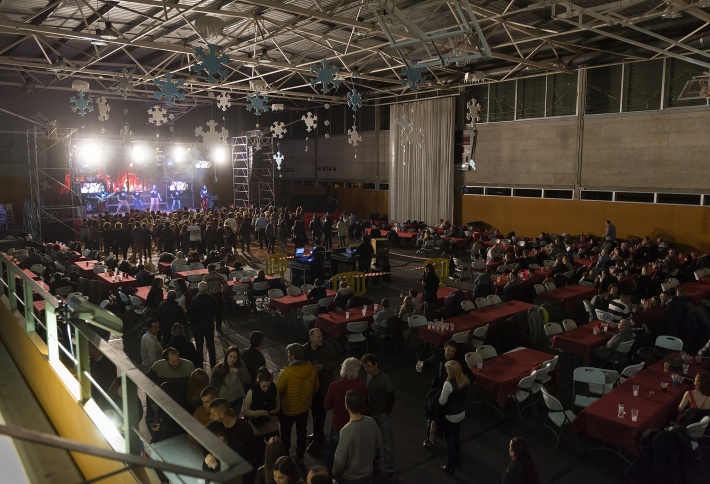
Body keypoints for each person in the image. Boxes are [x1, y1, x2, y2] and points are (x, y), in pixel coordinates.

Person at [417, 340, 468, 447]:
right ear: (444, 348)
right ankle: (430, 435)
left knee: (442, 415)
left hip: (450, 391)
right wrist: (421, 366)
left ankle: (437, 433)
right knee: (432, 412)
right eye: (448, 350)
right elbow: (427, 362)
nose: (450, 353)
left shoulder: (458, 361)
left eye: (452, 351)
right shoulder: (437, 356)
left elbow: (468, 374)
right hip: (437, 388)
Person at [275, 343, 319, 462]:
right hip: (304, 408)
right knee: (301, 431)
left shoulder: (287, 373)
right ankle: (300, 455)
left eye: (289, 354)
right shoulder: (311, 369)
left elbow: (277, 389)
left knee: (285, 434)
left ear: (293, 356)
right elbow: (316, 387)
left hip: (288, 409)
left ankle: (286, 456)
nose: (288, 356)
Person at [324, 358, 368, 468]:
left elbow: (326, 406)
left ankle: (330, 473)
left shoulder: (334, 385)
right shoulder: (361, 386)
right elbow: (364, 407)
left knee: (333, 452)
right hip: (354, 426)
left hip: (338, 426)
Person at [332, 390, 381, 484]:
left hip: (350, 479)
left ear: (346, 405)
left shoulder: (346, 431)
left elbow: (339, 461)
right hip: (368, 474)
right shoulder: (371, 422)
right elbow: (378, 444)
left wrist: (335, 473)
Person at [361, 353, 396, 478]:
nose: (366, 369)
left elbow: (392, 398)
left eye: (369, 366)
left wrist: (386, 413)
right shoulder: (369, 376)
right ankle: (375, 462)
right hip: (372, 412)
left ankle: (391, 468)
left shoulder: (385, 379)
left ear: (376, 365)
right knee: (373, 441)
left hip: (382, 414)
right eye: (365, 367)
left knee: (387, 443)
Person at [438, 360, 469, 475]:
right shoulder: (465, 380)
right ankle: (458, 458)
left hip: (450, 415)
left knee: (449, 440)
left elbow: (442, 402)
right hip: (461, 413)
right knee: (457, 436)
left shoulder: (448, 384)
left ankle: (450, 463)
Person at [242, 367, 281, 440]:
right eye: (264, 386)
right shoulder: (252, 392)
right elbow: (245, 411)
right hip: (256, 426)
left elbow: (278, 406)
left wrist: (274, 411)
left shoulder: (274, 389)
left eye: (268, 386)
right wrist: (258, 413)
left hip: (271, 424)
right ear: (259, 382)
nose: (266, 388)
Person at [211, 345, 252, 412]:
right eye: (230, 356)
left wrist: (239, 371)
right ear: (226, 356)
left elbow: (248, 380)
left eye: (235, 357)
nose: (232, 359)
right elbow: (212, 387)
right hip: (224, 401)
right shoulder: (218, 369)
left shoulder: (241, 364)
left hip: (238, 399)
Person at [188, 281, 218, 368]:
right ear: (207, 288)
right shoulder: (211, 298)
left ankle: (200, 365)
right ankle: (213, 363)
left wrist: (192, 324)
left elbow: (191, 314)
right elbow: (216, 309)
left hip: (197, 326)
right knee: (211, 344)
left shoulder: (195, 300)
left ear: (199, 289)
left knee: (199, 346)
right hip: (209, 324)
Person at [203, 263, 228, 333]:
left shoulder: (206, 277)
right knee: (219, 312)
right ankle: (218, 327)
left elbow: (203, 287)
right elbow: (226, 285)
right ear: (215, 269)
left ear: (208, 269)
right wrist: (223, 293)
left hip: (209, 296)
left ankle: (211, 326)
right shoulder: (219, 276)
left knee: (209, 312)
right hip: (218, 295)